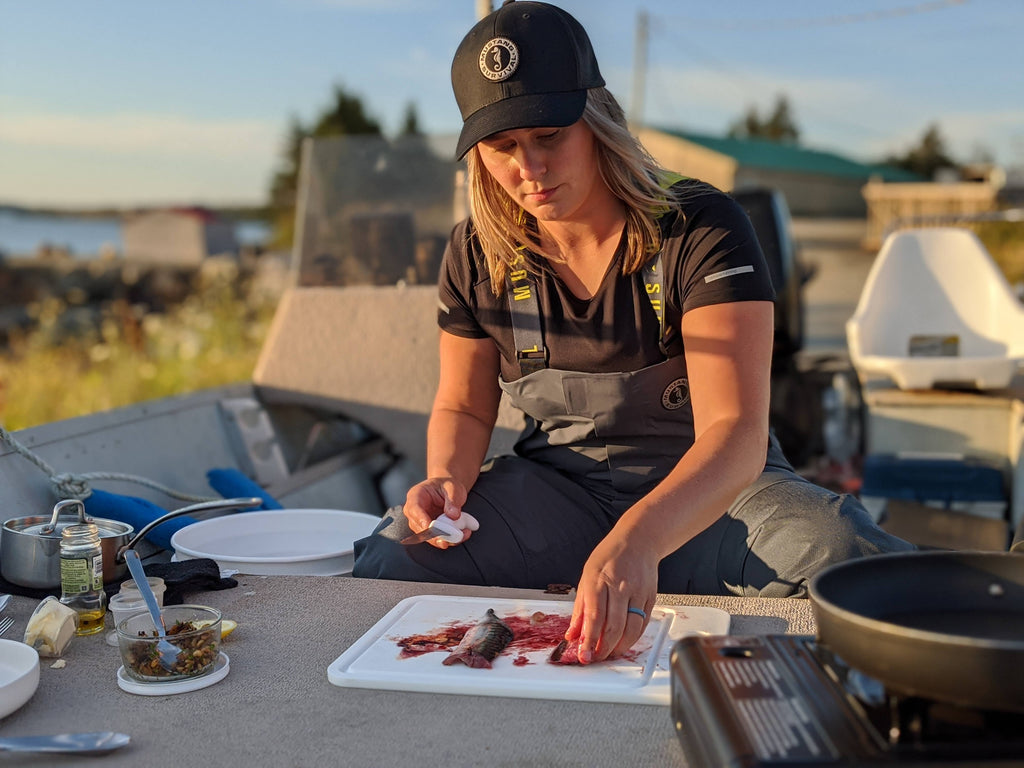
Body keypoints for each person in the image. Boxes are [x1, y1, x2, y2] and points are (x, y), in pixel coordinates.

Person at [352, 0, 912, 664]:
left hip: (715, 497)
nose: (527, 167)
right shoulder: (474, 253)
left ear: (596, 118)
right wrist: (446, 481)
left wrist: (637, 540)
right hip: (560, 496)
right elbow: (465, 403)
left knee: (845, 558)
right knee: (394, 557)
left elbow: (734, 437)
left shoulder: (703, 225)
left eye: (549, 135)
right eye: (502, 147)